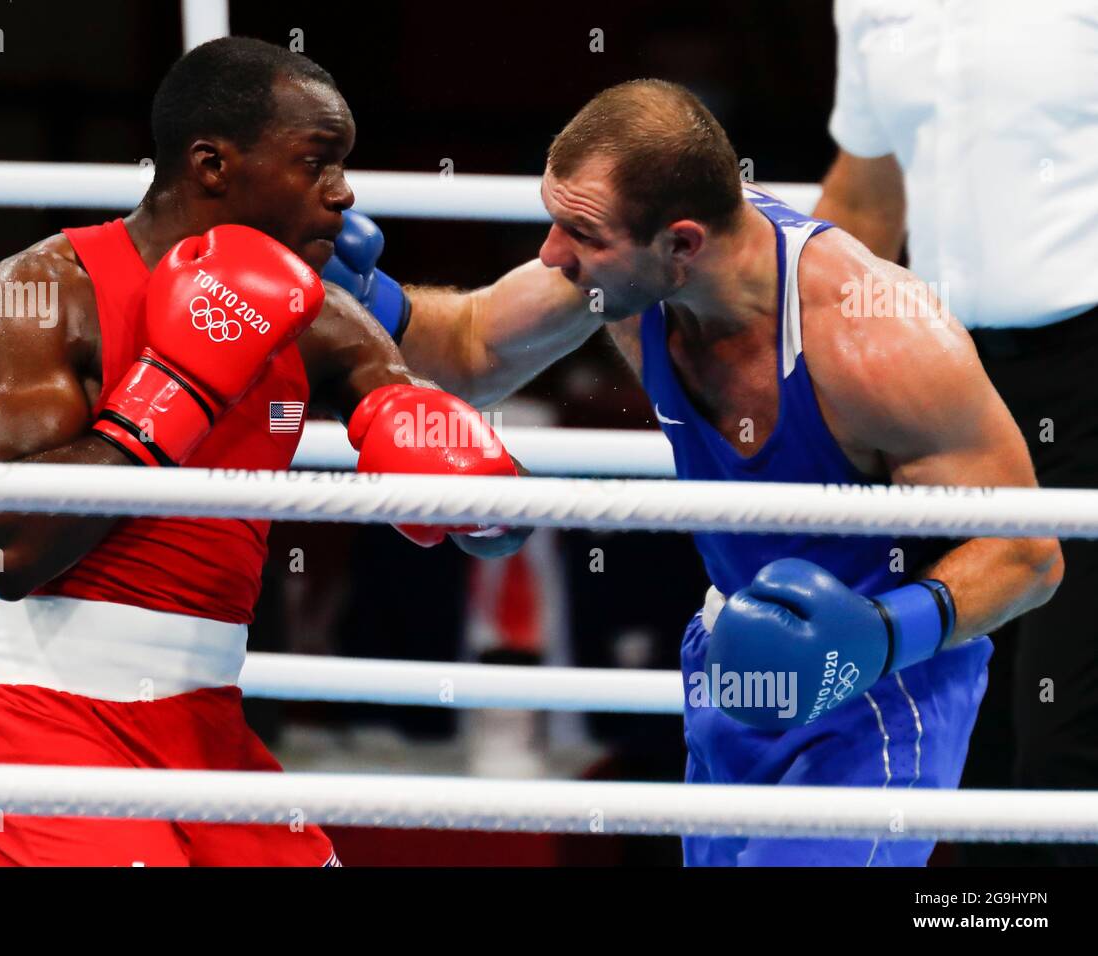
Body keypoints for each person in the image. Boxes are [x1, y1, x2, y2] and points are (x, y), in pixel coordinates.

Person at [326, 79, 1063, 866]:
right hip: (729, 660)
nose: (550, 252)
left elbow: (1028, 554)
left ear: (682, 245)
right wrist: (366, 298)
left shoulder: (877, 340)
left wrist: (881, 636)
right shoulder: (623, 271)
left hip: (879, 688)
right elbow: (476, 345)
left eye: (579, 232)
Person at [0, 36, 523, 867]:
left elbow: (497, 520)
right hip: (47, 725)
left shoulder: (319, 321)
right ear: (213, 164)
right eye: (317, 163)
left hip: (207, 731)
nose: (344, 193)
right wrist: (174, 390)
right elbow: (9, 551)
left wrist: (477, 494)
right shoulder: (44, 294)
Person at [814, 0, 1098, 865]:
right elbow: (866, 196)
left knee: (1069, 740)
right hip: (948, 390)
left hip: (1088, 368)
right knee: (961, 734)